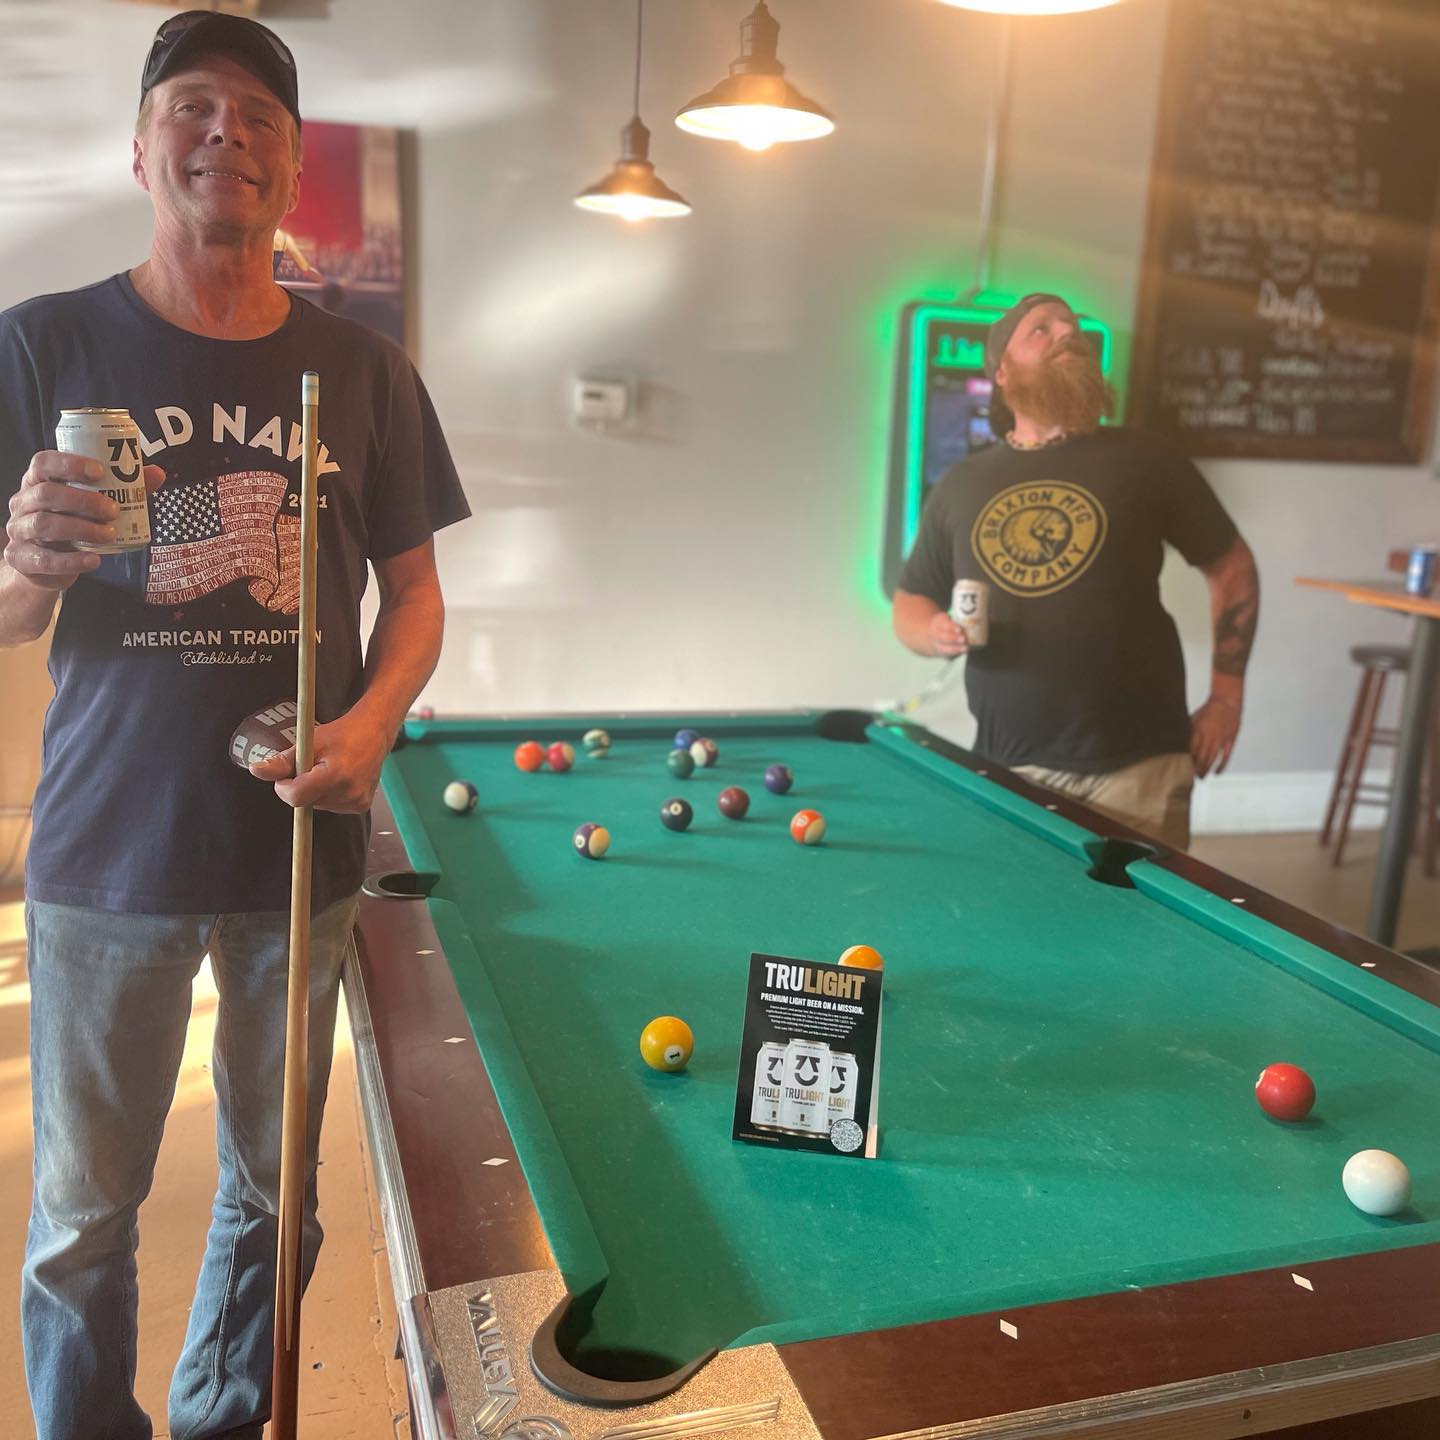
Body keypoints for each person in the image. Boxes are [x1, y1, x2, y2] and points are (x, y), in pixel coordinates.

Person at [0, 12, 469, 1438]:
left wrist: (373, 726)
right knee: (82, 1218)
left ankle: (218, 1421)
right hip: (107, 847)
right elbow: (5, 617)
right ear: (142, 150)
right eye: (193, 108)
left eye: (262, 117)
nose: (228, 134)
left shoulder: (368, 371)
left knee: (275, 1196)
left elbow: (416, 598)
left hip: (296, 850)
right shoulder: (40, 344)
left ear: (293, 168)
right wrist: (27, 566)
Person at [892, 293, 1258, 850]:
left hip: (1139, 772)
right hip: (1009, 769)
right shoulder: (961, 484)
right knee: (1015, 905)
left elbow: (1231, 566)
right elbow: (911, 601)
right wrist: (932, 633)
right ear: (1002, 373)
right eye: (1041, 328)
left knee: (1136, 910)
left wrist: (1227, 696)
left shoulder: (1147, 458)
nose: (1067, 332)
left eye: (1073, 326)